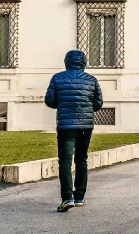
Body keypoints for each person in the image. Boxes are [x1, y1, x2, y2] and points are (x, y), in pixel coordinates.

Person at [44, 49, 103, 213]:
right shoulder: (91, 80)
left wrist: (62, 104)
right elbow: (98, 103)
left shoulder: (57, 78)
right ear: (83, 62)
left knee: (65, 161)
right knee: (81, 160)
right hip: (85, 126)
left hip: (65, 126)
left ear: (67, 62)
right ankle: (79, 197)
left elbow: (49, 101)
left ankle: (67, 198)